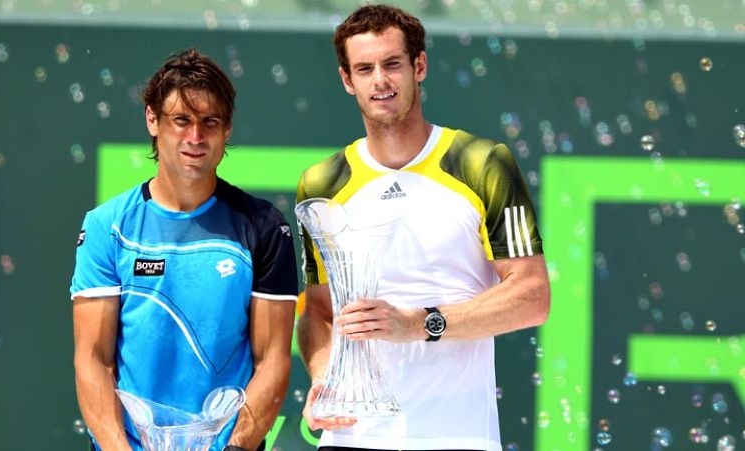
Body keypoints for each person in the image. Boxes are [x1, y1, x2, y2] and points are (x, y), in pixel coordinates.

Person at [296, 5, 551, 451]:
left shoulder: (483, 162)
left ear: (419, 66)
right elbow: (319, 310)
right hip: (351, 436)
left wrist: (419, 324)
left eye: (392, 64)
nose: (380, 80)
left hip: (457, 435)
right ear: (346, 79)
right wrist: (324, 374)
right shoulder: (321, 183)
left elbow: (532, 296)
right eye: (365, 68)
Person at [71, 48, 298, 451]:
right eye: (181, 121)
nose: (195, 137)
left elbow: (274, 360)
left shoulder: (263, 226)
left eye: (209, 122)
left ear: (227, 129)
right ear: (152, 120)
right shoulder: (108, 226)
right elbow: (93, 360)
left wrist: (235, 447)